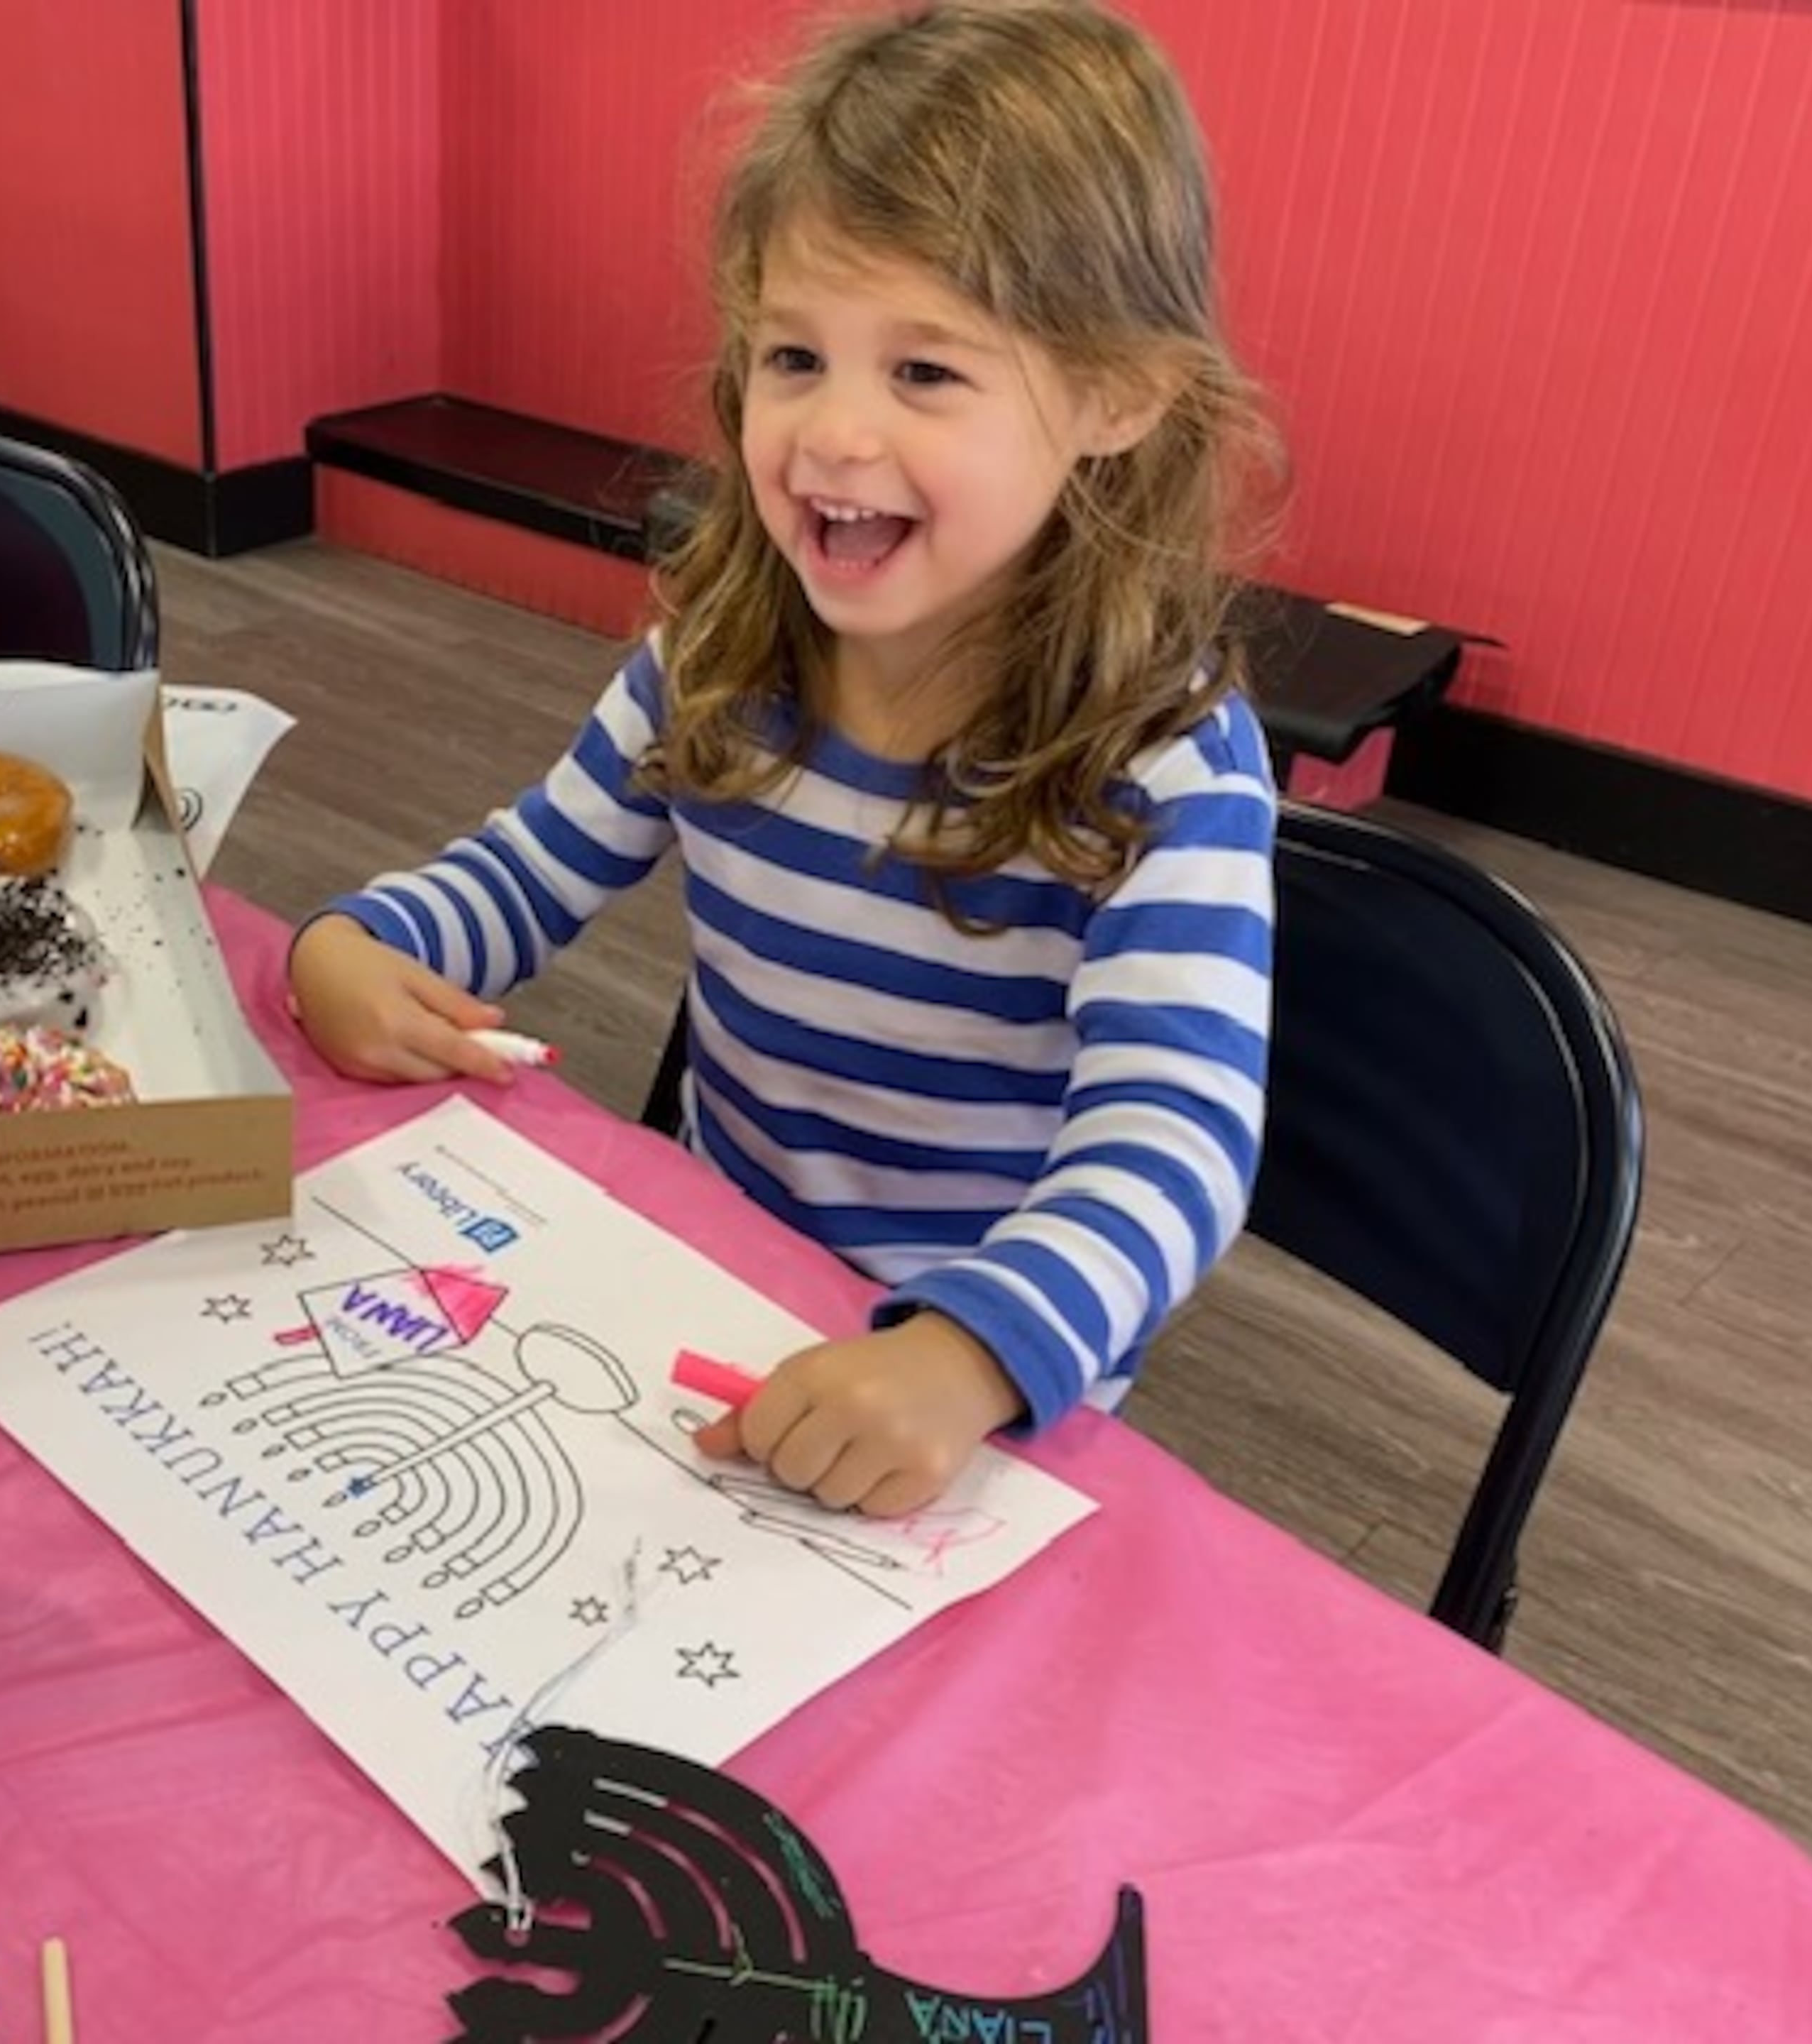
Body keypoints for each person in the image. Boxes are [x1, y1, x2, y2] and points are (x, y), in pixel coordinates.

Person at [290, 1, 1280, 1519]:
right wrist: (358, 943)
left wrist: (968, 1356)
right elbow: (526, 872)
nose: (833, 434)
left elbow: (1174, 1146)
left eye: (927, 374)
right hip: (706, 1296)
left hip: (980, 1402)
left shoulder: (1164, 765)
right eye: (795, 355)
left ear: (1117, 395)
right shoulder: (722, 664)